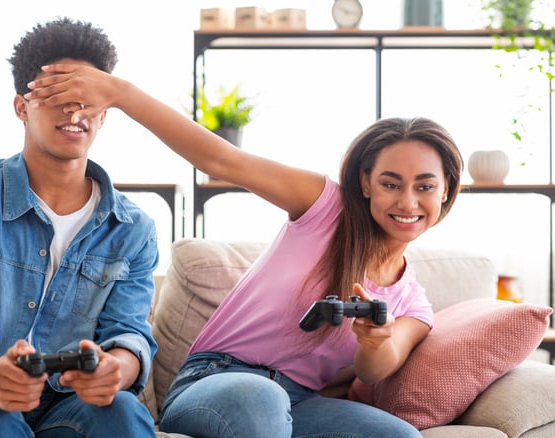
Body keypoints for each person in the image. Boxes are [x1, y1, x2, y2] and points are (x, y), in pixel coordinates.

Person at [23, 63, 464, 437]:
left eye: (425, 187)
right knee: (261, 398)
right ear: (367, 183)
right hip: (216, 381)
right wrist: (120, 92)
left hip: (299, 401)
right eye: (391, 184)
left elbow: (375, 369)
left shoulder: (413, 303)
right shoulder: (325, 207)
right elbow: (221, 160)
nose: (408, 202)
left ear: (445, 193)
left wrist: (374, 340)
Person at [0, 18, 159, 437]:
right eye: (58, 96)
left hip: (74, 403)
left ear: (105, 114)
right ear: (21, 107)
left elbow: (128, 333)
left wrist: (117, 369)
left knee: (123, 413)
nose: (76, 112)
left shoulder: (133, 229)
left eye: (88, 99)